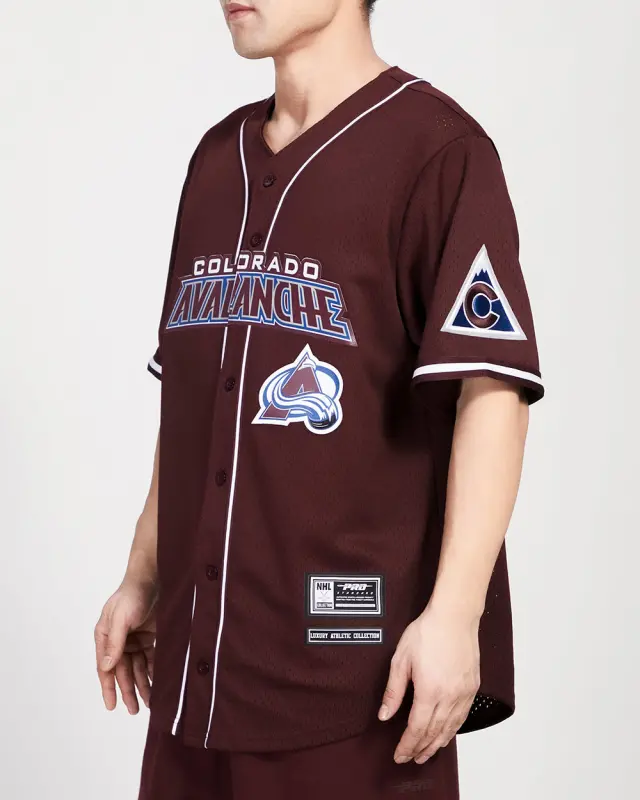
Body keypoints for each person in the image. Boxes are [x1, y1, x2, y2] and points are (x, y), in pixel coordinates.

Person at [94, 1, 544, 798]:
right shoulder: (215, 161)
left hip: (356, 684)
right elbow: (196, 398)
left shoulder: (438, 151)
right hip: (195, 687)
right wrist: (143, 573)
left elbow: (492, 389)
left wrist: (454, 615)